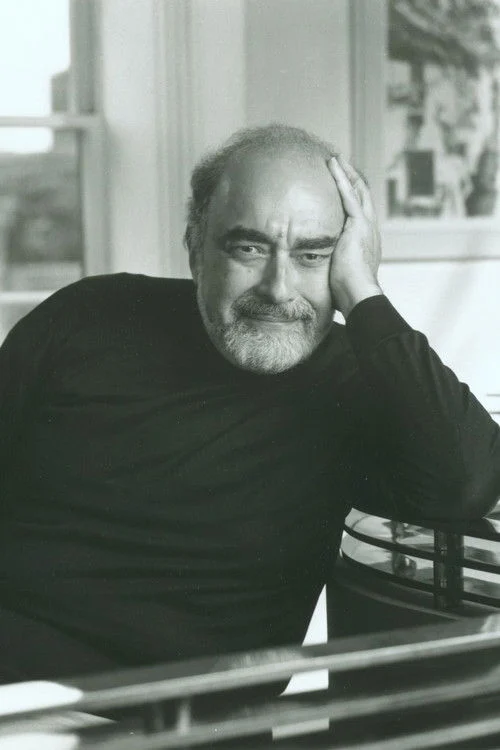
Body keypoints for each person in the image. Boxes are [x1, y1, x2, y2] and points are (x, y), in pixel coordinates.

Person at [0, 124, 498, 684]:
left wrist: (364, 293)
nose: (278, 288)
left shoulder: (356, 382)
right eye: (250, 248)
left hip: (178, 716)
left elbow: (470, 482)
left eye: (313, 255)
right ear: (196, 248)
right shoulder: (90, 316)